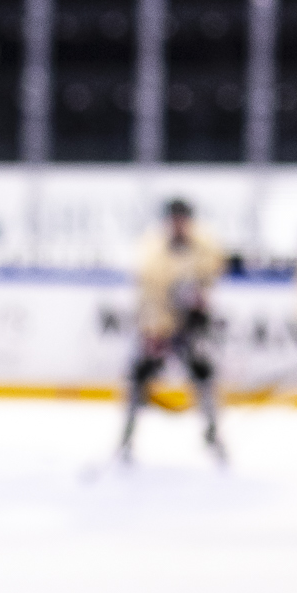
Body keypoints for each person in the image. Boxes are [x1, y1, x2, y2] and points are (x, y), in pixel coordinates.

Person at [117, 196, 227, 465]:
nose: (179, 224)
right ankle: (126, 437)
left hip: (190, 327)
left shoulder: (204, 245)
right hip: (159, 325)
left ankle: (212, 434)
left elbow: (212, 273)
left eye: (183, 219)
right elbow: (148, 295)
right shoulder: (151, 251)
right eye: (175, 219)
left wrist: (199, 302)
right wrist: (154, 331)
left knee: (204, 374)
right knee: (138, 376)